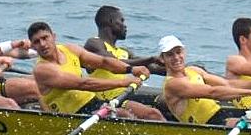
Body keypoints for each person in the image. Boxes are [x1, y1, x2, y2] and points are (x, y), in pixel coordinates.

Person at [28, 21, 158, 119]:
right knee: (123, 116)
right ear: (33, 46)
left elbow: (103, 62)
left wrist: (131, 69)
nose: (43, 44)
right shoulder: (43, 69)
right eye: (37, 42)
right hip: (70, 116)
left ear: (53, 36)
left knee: (148, 113)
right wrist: (124, 82)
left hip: (94, 103)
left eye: (45, 38)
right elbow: (83, 84)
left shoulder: (70, 49)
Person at [158, 35, 251, 129]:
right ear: (162, 59)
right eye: (170, 54)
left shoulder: (194, 70)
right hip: (205, 126)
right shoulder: (173, 84)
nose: (176, 57)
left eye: (178, 52)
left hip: (220, 113)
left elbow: (227, 84)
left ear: (184, 52)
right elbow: (213, 92)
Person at [82, 5, 165, 119]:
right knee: (152, 114)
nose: (125, 26)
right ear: (111, 21)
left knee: (166, 100)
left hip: (127, 94)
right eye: (121, 20)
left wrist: (179, 68)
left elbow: (151, 67)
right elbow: (112, 63)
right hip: (109, 100)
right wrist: (150, 58)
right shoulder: (94, 43)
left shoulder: (124, 51)